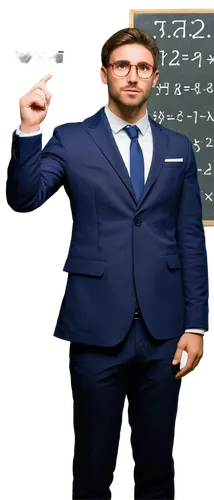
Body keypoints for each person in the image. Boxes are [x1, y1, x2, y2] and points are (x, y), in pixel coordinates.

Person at [7, 26, 209, 500]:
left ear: (155, 77)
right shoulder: (72, 138)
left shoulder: (179, 146)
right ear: (103, 74)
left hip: (165, 334)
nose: (132, 76)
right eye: (122, 66)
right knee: (94, 469)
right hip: (95, 326)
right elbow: (26, 200)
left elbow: (189, 239)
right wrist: (32, 128)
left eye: (142, 67)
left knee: (159, 468)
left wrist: (197, 325)